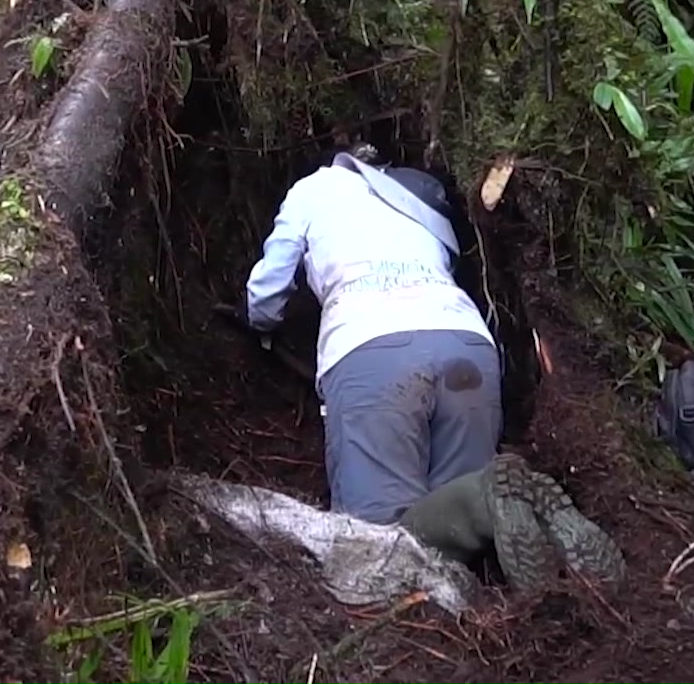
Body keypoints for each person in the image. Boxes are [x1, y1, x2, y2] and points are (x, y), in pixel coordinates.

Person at [239, 150, 623, 589]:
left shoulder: (314, 188)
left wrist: (260, 323)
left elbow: (268, 288)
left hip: (370, 345)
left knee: (374, 542)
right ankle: (492, 501)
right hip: (466, 342)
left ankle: (483, 501)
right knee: (457, 537)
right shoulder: (417, 196)